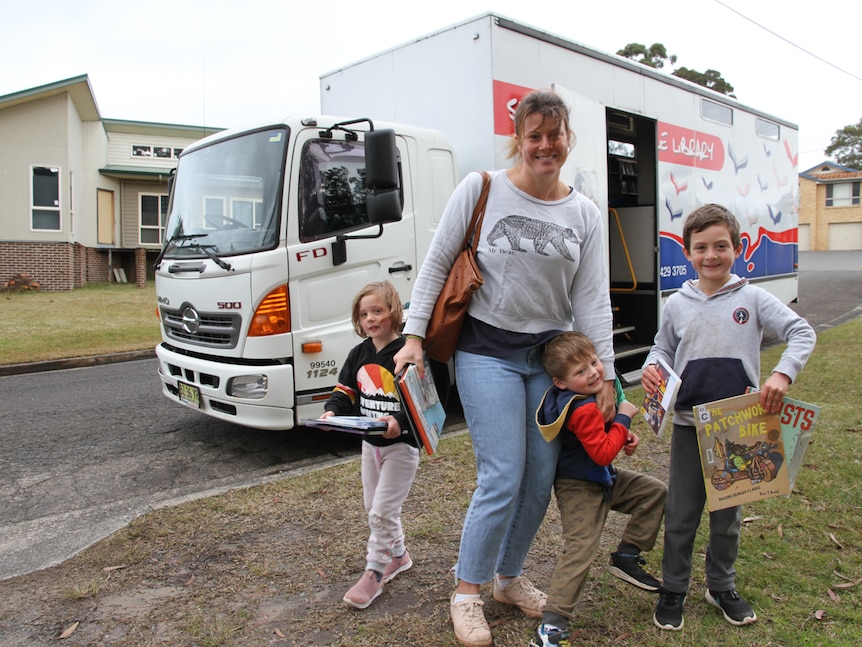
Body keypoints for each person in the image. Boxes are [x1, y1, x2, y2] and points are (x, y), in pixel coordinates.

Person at [393, 89, 617, 647]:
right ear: (518, 138)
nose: (545, 145)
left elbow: (591, 301)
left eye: (554, 135)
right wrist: (414, 337)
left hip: (548, 363)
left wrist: (606, 374)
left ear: (568, 138)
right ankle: (466, 592)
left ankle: (508, 580)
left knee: (540, 477)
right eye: (534, 135)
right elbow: (437, 263)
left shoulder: (583, 213)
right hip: (486, 353)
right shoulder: (482, 188)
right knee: (501, 475)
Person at [641, 203, 816, 631]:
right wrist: (650, 365)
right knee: (682, 513)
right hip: (688, 427)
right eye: (701, 247)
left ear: (737, 248)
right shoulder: (676, 304)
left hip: (739, 429)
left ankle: (721, 585)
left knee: (727, 516)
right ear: (686, 252)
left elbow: (802, 333)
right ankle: (675, 587)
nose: (711, 255)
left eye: (721, 246)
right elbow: (662, 348)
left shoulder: (753, 298)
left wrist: (780, 375)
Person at [531, 332, 667, 647]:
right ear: (560, 382)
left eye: (593, 362)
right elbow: (603, 452)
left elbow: (602, 444)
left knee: (653, 492)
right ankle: (552, 626)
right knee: (580, 549)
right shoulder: (581, 408)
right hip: (579, 487)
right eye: (580, 371)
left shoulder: (578, 398)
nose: (593, 372)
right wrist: (624, 420)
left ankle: (627, 555)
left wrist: (620, 435)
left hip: (602, 477)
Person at [320, 281, 421, 610]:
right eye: (364, 314)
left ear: (393, 311)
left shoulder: (407, 351)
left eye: (377, 311)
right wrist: (333, 409)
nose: (371, 319)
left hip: (401, 448)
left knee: (382, 511)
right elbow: (346, 390)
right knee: (373, 507)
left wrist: (400, 424)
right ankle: (399, 555)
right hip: (370, 445)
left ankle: (375, 573)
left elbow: (424, 401)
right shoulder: (359, 354)